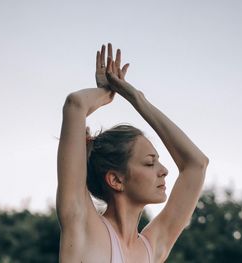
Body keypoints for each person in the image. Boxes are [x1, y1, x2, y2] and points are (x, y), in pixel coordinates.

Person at [56, 43, 209, 263]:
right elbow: (75, 104)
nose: (164, 171)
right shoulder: (81, 223)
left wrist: (137, 98)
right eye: (149, 163)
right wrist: (107, 93)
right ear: (116, 179)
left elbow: (197, 164)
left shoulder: (151, 249)